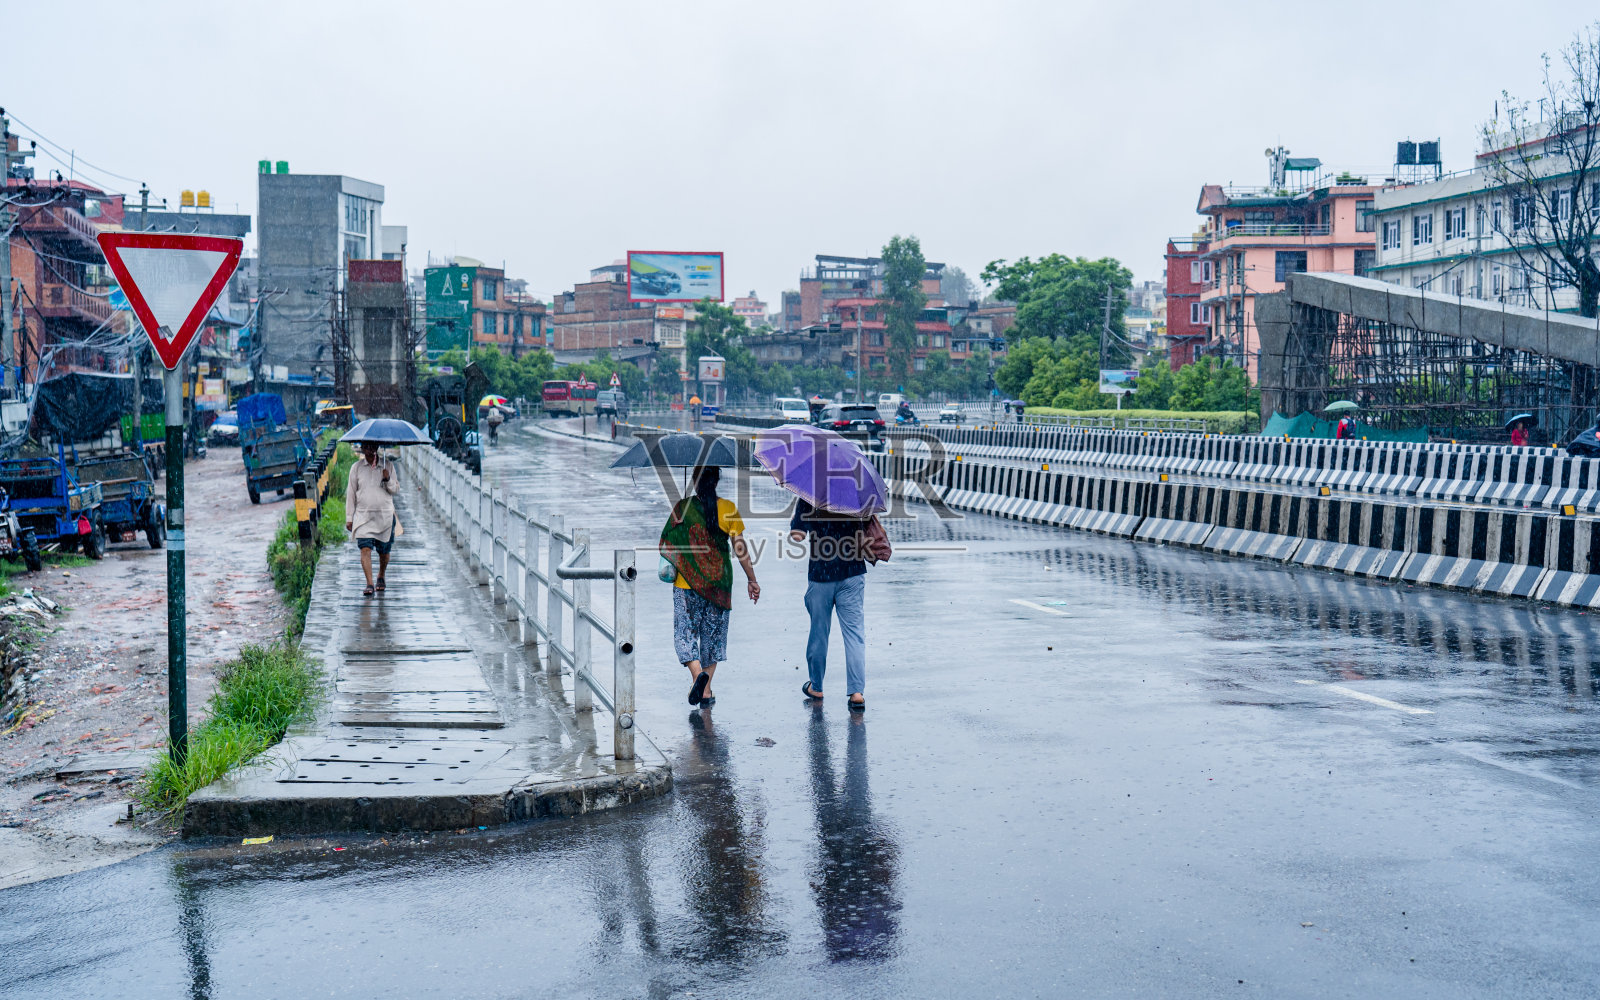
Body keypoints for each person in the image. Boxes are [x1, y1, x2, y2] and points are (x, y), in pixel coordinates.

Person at [660, 466, 759, 708]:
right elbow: (740, 549)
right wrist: (752, 579)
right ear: (716, 481)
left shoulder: (682, 509)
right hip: (719, 584)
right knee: (712, 638)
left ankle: (697, 676)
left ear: (695, 481)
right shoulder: (728, 509)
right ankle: (705, 689)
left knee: (684, 634)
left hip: (686, 584)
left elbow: (665, 544)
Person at [790, 499, 872, 710]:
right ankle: (856, 693)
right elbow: (867, 523)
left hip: (821, 575)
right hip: (852, 571)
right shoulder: (854, 493)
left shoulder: (809, 495)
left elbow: (797, 535)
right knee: (854, 634)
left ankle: (816, 686)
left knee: (819, 632)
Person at [345, 441, 400, 597]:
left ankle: (381, 575)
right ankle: (369, 583)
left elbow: (395, 489)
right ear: (362, 449)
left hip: (384, 516)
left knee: (384, 551)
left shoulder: (387, 465)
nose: (369, 450)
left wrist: (388, 479)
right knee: (365, 548)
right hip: (363, 516)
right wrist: (349, 517)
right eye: (366, 447)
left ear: (377, 448)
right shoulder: (356, 468)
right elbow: (351, 493)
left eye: (372, 447)